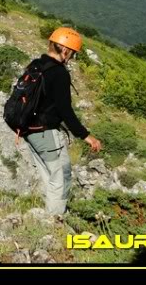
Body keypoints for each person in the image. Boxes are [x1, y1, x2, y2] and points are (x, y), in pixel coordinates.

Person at [25, 27, 102, 215]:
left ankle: (47, 216)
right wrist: (86, 136)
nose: (72, 58)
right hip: (46, 133)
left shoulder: (36, 64)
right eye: (73, 54)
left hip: (29, 131)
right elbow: (65, 110)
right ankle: (54, 222)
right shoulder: (59, 73)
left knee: (49, 176)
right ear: (65, 50)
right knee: (62, 177)